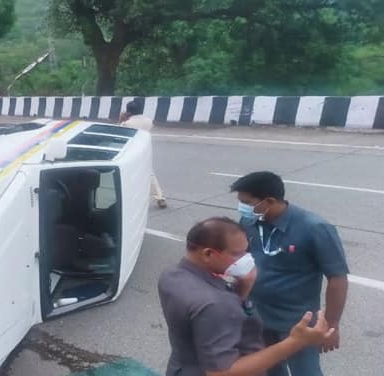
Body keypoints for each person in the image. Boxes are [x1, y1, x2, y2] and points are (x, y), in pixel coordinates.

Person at [158, 217, 336, 376]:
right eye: (237, 254)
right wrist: (295, 341)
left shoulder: (171, 275)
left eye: (246, 251)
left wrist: (243, 288)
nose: (247, 259)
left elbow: (208, 322)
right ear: (208, 254)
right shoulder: (216, 302)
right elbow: (221, 372)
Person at [230, 171, 349, 376]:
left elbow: (337, 279)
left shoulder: (315, 228)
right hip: (258, 317)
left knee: (306, 372)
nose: (243, 208)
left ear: (269, 201)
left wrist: (332, 325)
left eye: (247, 202)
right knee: (269, 369)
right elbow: (241, 261)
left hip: (298, 323)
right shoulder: (249, 222)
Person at [119, 100, 166, 208]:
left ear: (128, 111)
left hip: (130, 152)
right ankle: (160, 197)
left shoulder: (127, 124)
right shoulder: (149, 121)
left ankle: (128, 198)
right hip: (144, 150)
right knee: (149, 174)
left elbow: (118, 132)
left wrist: (121, 120)